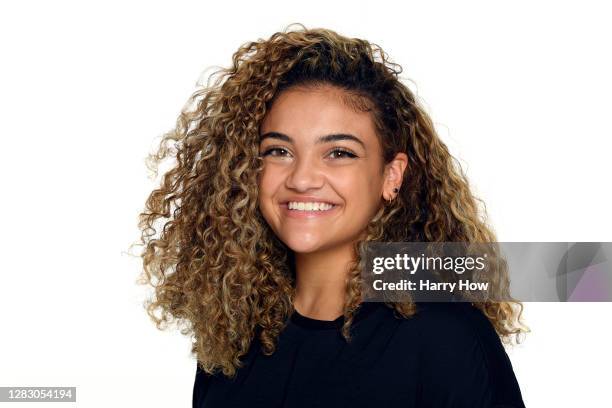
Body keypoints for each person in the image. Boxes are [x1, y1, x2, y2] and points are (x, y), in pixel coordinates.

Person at [137, 24, 528, 407]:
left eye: (339, 153)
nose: (302, 178)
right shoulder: (234, 340)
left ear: (391, 176)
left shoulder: (447, 340)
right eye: (278, 151)